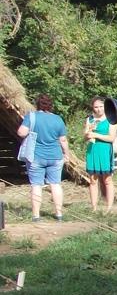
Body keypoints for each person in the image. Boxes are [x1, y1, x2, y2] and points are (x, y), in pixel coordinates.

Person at [16, 93, 69, 222]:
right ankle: (59, 214)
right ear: (51, 105)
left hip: (36, 157)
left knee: (36, 185)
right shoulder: (58, 119)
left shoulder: (31, 116)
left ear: (37, 104)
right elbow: (63, 140)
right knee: (55, 184)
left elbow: (21, 133)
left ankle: (36, 215)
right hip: (55, 156)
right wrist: (66, 154)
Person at [83, 97, 117, 212]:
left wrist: (96, 135)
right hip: (92, 150)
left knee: (107, 180)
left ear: (105, 107)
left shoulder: (111, 119)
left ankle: (109, 208)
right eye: (96, 107)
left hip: (105, 150)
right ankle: (94, 208)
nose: (98, 109)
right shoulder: (90, 119)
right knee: (93, 180)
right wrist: (88, 133)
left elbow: (111, 138)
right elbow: (85, 137)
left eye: (101, 106)